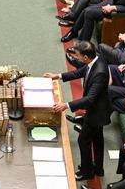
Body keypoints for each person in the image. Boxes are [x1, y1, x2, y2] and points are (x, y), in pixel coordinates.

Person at [44, 41, 110, 181]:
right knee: (97, 139)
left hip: (97, 112)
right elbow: (81, 72)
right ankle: (98, 168)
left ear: (86, 57)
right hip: (98, 109)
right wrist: (58, 76)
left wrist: (66, 105)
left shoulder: (100, 73)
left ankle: (87, 172)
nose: (77, 58)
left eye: (78, 56)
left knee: (83, 140)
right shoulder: (95, 60)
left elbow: (90, 99)